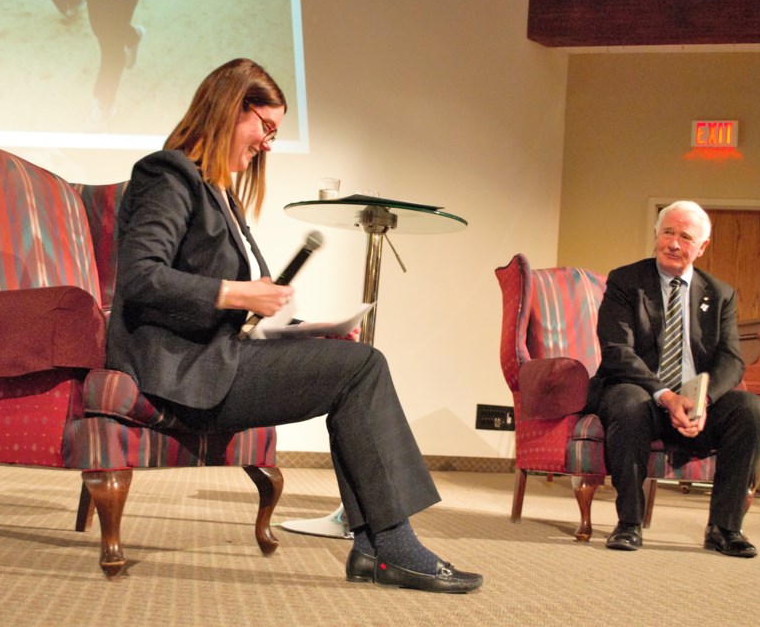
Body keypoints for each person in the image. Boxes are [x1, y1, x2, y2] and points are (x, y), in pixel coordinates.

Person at [105, 58, 482, 593]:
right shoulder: (168, 174)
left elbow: (248, 310)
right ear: (230, 109)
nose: (267, 144)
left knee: (354, 368)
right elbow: (141, 279)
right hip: (182, 370)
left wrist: (309, 331)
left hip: (218, 357)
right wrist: (237, 292)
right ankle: (390, 548)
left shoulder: (222, 194)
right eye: (266, 127)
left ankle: (378, 548)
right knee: (363, 368)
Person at [587, 200, 760, 557]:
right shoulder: (626, 281)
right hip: (639, 391)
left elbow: (732, 360)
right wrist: (667, 397)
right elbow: (617, 351)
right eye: (667, 232)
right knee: (629, 403)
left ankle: (725, 527)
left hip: (693, 399)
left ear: (702, 247)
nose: (673, 243)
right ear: (656, 234)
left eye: (685, 236)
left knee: (752, 410)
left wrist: (701, 400)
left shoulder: (720, 294)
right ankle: (629, 524)